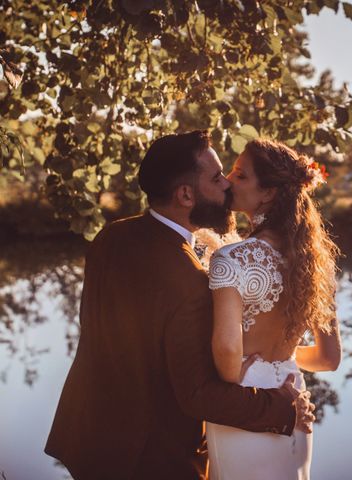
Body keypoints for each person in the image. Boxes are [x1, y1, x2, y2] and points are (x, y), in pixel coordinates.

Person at [45, 131, 314, 480]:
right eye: (217, 178)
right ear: (186, 194)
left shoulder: (111, 236)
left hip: (88, 438)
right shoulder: (191, 282)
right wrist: (283, 407)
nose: (227, 186)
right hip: (150, 458)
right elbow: (198, 396)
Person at [204, 139, 342, 480]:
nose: (228, 181)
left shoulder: (231, 259)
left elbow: (226, 361)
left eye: (240, 175)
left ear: (267, 193)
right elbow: (328, 359)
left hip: (248, 403)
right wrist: (282, 362)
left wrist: (246, 367)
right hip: (294, 398)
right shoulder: (315, 263)